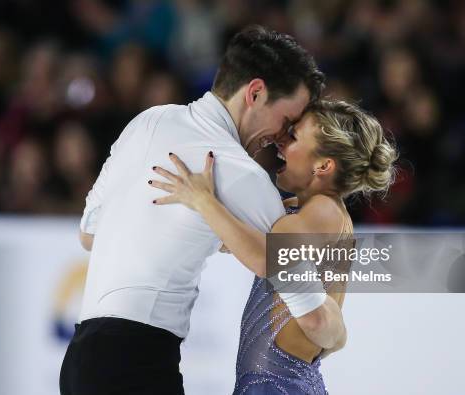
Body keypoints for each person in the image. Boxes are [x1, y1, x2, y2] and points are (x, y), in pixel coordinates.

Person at [60, 25, 345, 395]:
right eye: (286, 121)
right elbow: (311, 311)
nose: (279, 137)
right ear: (255, 93)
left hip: (81, 360)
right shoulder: (239, 172)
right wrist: (338, 335)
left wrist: (197, 226)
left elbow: (89, 234)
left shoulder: (147, 121)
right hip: (135, 363)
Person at [149, 100, 398, 394]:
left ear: (323, 165)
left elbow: (264, 257)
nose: (281, 140)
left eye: (293, 137)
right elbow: (236, 241)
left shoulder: (324, 211)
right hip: (276, 382)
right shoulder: (304, 209)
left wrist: (204, 200)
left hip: (281, 384)